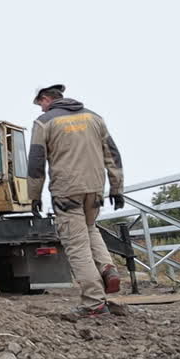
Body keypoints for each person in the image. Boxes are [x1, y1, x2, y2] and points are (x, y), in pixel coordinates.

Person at [27, 84, 125, 317]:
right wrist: (116, 188)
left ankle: (93, 303)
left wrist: (34, 196)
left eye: (39, 103)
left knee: (76, 244)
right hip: (95, 189)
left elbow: (36, 163)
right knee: (90, 228)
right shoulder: (94, 118)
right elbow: (112, 154)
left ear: (45, 99)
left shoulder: (44, 123)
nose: (40, 108)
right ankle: (107, 267)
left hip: (67, 191)